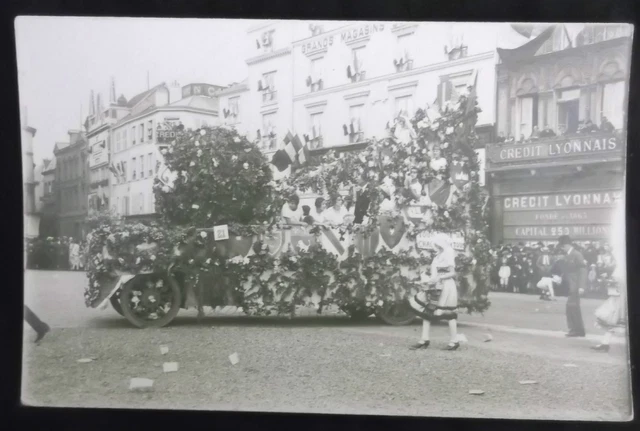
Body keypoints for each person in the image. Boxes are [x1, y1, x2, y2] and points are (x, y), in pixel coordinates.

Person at [408, 233, 460, 351]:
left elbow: (453, 272)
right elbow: (434, 274)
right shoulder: (438, 255)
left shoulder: (448, 252)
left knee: (449, 313)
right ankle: (424, 339)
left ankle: (454, 340)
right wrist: (427, 281)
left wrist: (439, 278)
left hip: (446, 286)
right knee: (427, 311)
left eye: (436, 243)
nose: (435, 246)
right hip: (436, 285)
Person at [558, 235, 587, 337]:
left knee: (571, 307)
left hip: (575, 286)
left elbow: (583, 271)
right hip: (571, 286)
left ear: (565, 245)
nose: (561, 249)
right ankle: (578, 330)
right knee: (573, 307)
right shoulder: (569, 255)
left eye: (562, 246)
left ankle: (575, 330)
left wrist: (581, 286)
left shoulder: (576, 254)